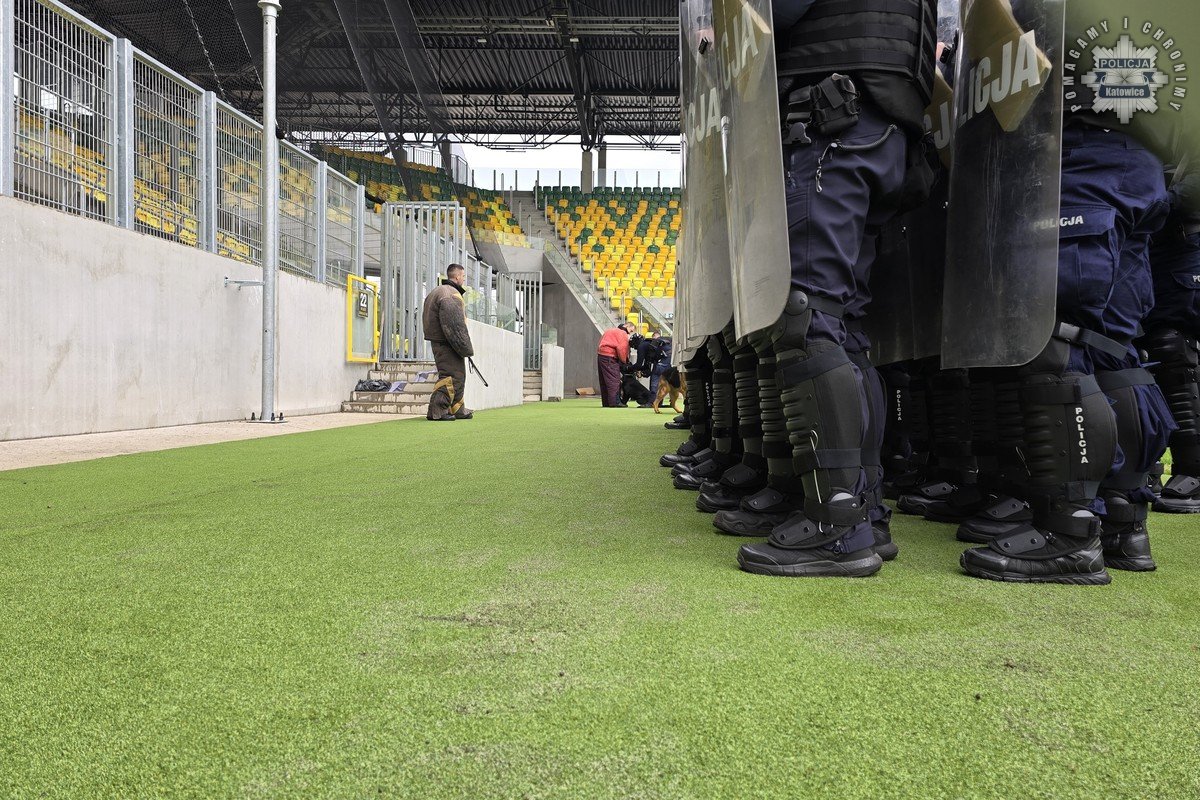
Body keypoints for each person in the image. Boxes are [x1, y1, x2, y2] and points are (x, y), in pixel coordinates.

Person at [733, 0, 938, 578]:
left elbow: (772, 14)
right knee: (841, 328)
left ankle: (837, 525)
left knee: (807, 315)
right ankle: (862, 511)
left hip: (833, 123)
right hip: (874, 127)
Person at [422, 263, 474, 421]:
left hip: (440, 340)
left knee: (458, 375)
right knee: (451, 376)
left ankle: (457, 408)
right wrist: (466, 348)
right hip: (447, 342)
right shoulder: (451, 294)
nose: (464, 280)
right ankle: (438, 410)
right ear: (457, 277)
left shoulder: (437, 291)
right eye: (463, 277)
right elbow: (455, 326)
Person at [597, 322, 634, 407]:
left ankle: (606, 402)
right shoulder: (623, 333)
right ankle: (615, 402)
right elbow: (621, 348)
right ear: (628, 326)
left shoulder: (610, 330)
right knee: (614, 380)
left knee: (604, 380)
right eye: (631, 330)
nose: (630, 333)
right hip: (610, 356)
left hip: (601, 355)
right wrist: (624, 361)